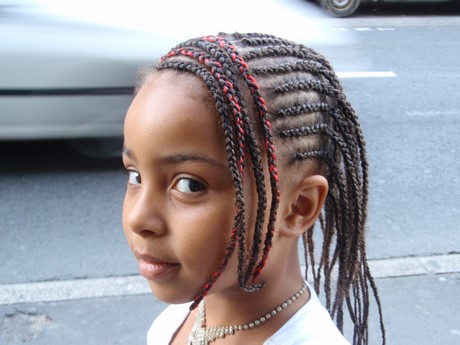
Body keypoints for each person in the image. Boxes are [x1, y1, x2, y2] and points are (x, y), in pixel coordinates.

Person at [121, 32, 385, 345]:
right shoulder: (177, 320)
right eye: (136, 176)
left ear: (298, 207)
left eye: (190, 185)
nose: (139, 219)